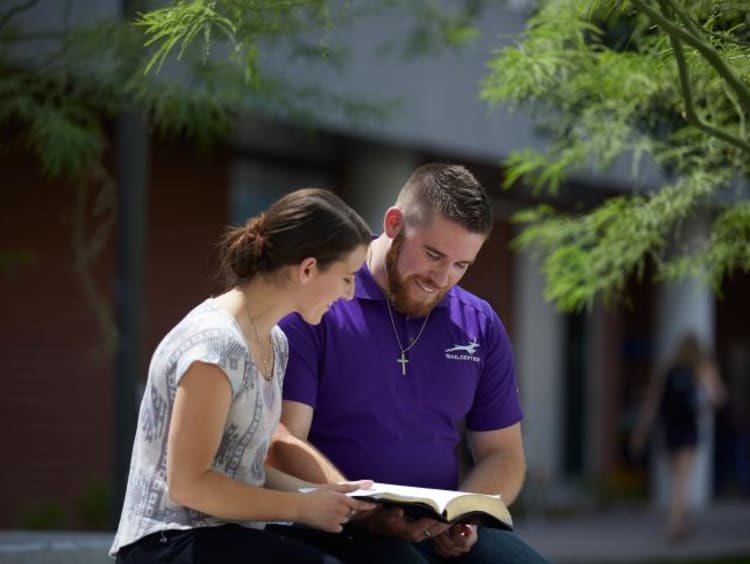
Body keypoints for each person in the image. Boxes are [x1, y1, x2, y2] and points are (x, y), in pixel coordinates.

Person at [268, 163, 549, 563]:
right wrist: (361, 509)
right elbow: (282, 441)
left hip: (439, 530)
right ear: (395, 223)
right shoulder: (320, 300)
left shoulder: (479, 322)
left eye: (461, 265)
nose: (443, 278)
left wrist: (467, 515)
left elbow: (503, 454)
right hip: (333, 523)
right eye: (433, 255)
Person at [110, 188, 378, 564]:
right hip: (167, 544)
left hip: (228, 538)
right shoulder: (215, 345)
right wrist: (300, 508)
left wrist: (330, 497)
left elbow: (249, 468)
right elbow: (190, 485)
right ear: (307, 269)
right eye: (347, 278)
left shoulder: (276, 342)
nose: (350, 294)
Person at [631, 332, 726, 542]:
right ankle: (673, 526)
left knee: (678, 479)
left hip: (670, 429)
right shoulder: (701, 368)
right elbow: (718, 398)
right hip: (688, 429)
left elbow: (651, 403)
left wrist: (641, 432)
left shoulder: (667, 369)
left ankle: (685, 520)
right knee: (682, 482)